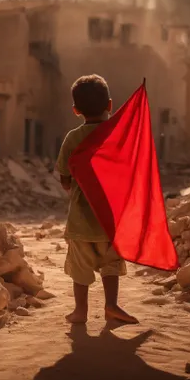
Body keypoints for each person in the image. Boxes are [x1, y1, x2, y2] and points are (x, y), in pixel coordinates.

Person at [56, 74, 138, 325]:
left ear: (75, 110)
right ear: (110, 105)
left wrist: (74, 188)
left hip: (81, 220)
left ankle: (80, 311)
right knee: (111, 263)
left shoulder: (72, 138)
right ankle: (111, 305)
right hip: (111, 218)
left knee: (80, 269)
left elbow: (64, 176)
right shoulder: (118, 135)